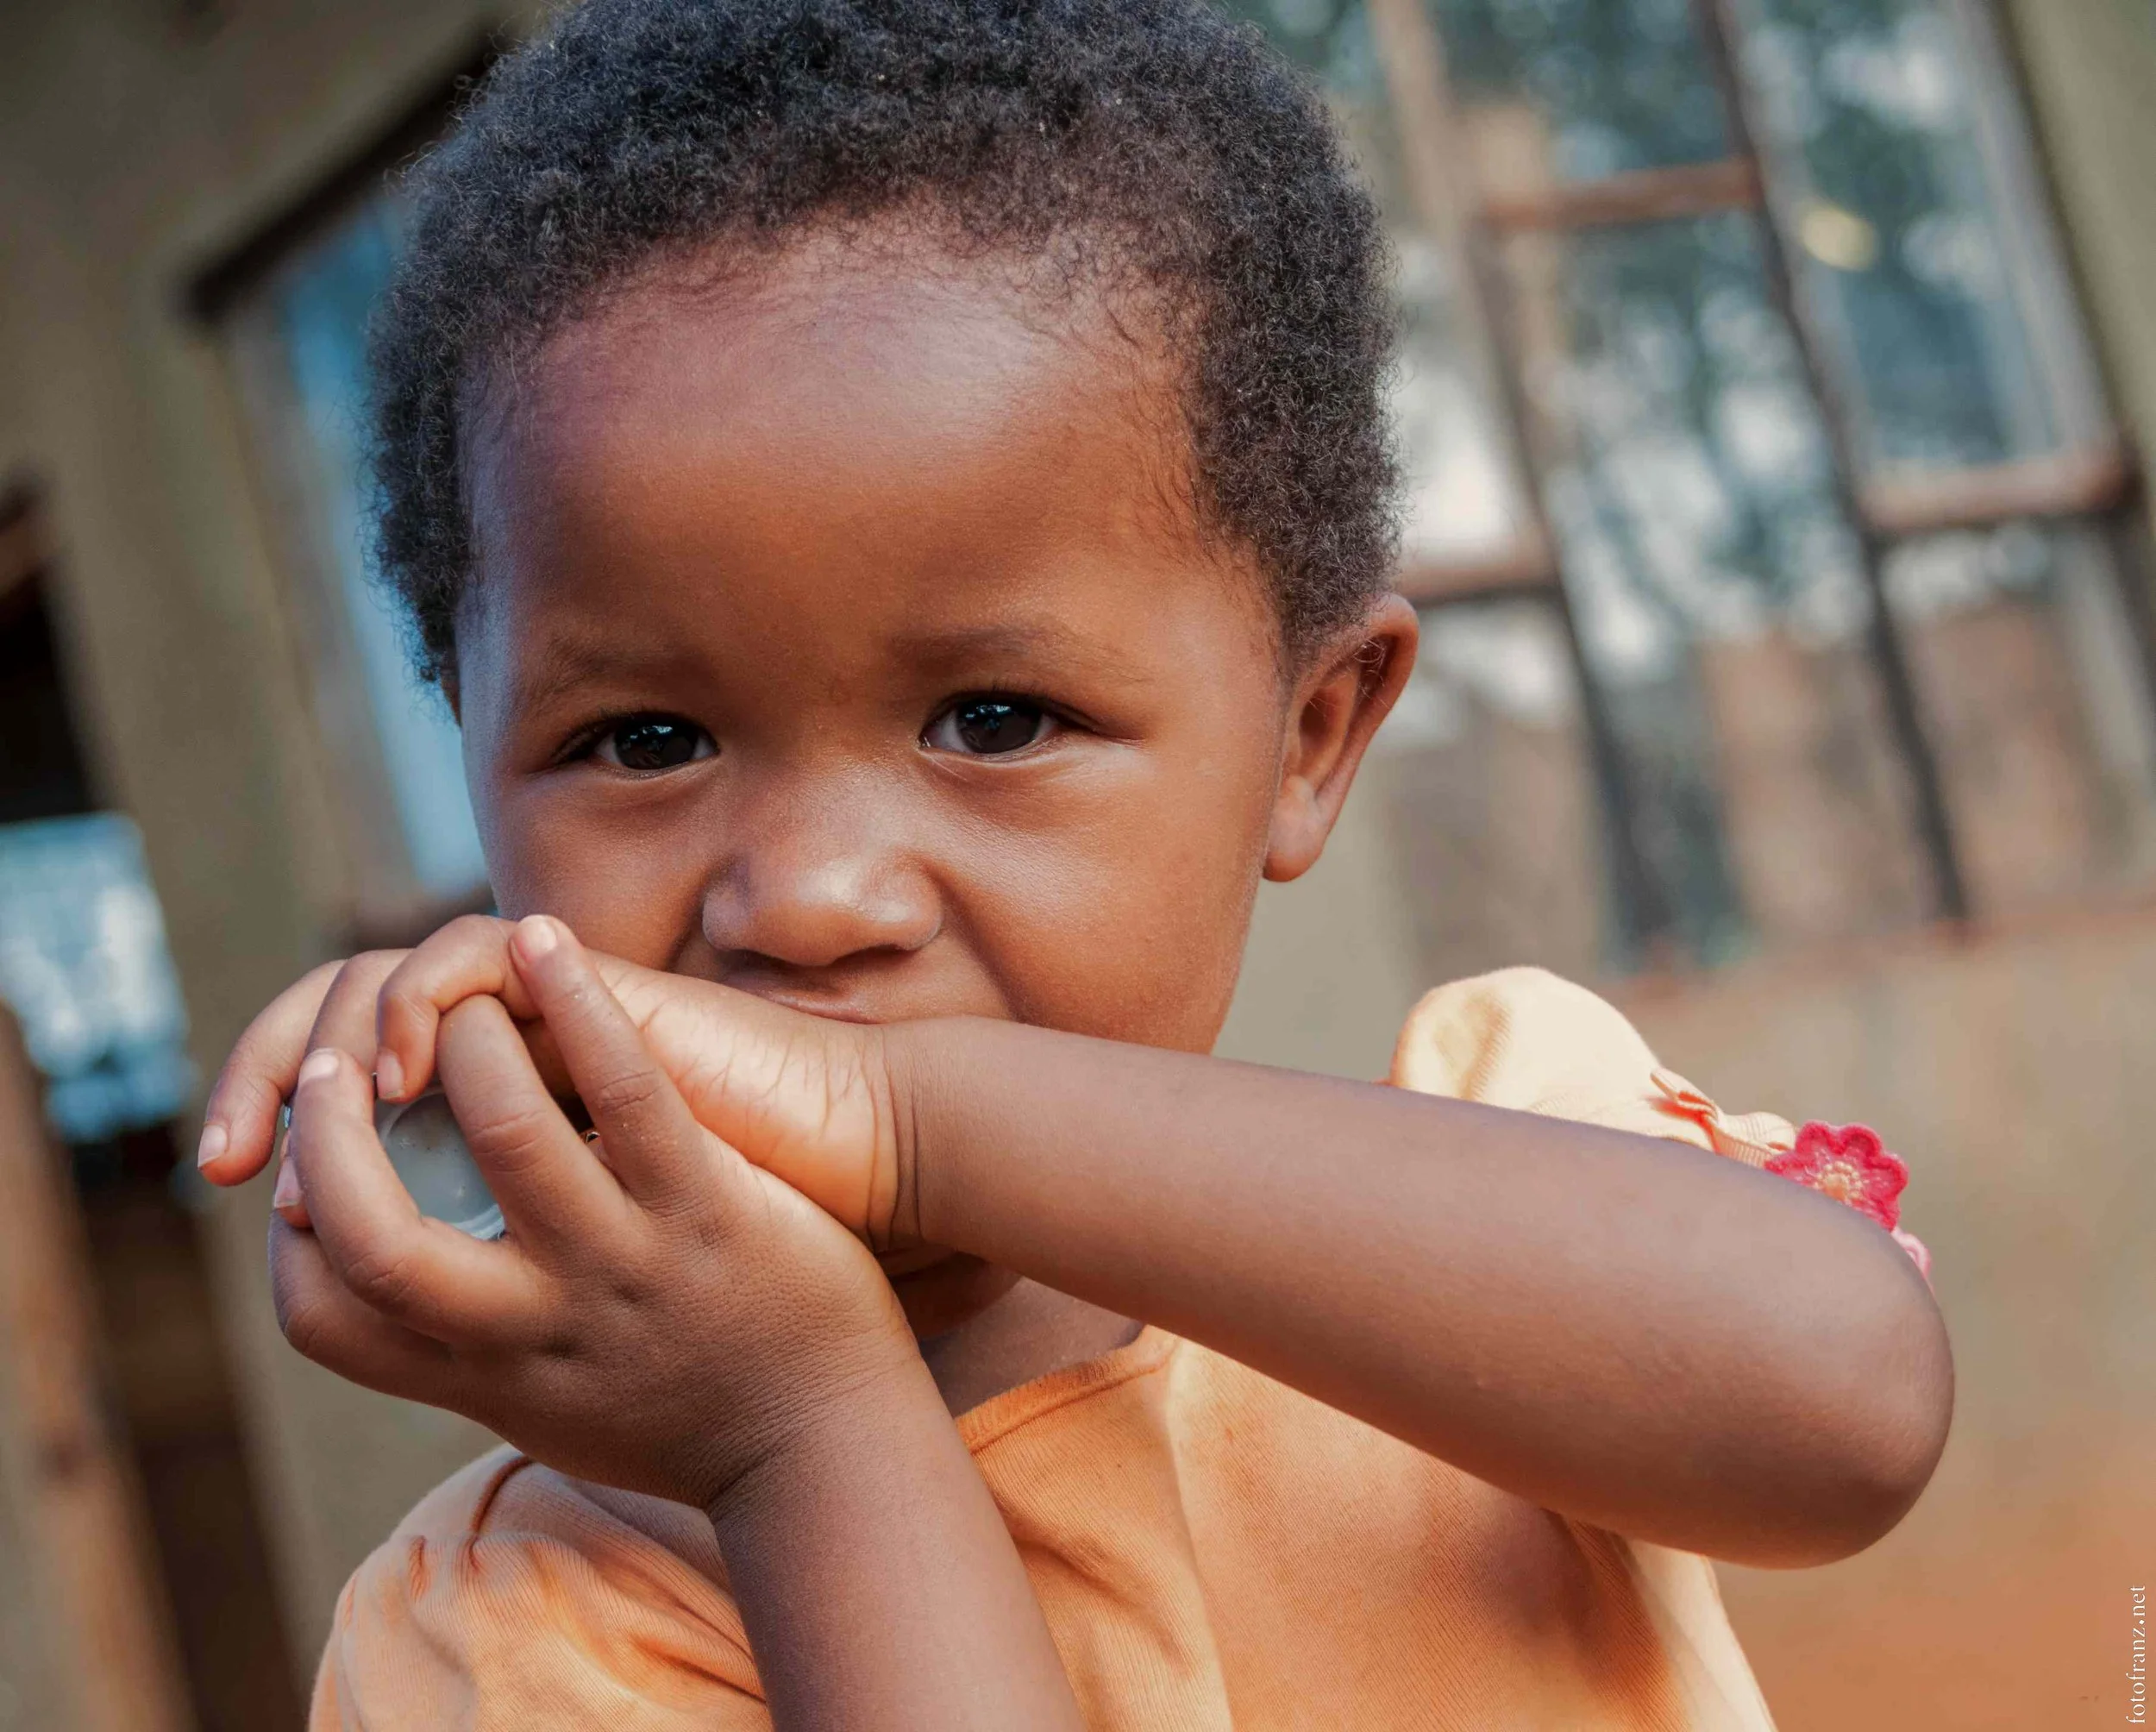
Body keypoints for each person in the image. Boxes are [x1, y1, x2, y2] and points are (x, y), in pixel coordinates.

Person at [197, 0, 1953, 1724]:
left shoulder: (1517, 1183)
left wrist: (910, 1125)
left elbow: (1851, 1401)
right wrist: (791, 1436)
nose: (805, 895)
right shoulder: (506, 1644)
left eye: (992, 716)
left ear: (1310, 734)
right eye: (644, 742)